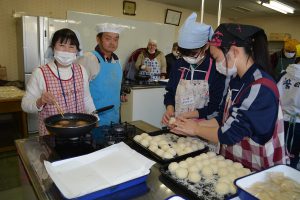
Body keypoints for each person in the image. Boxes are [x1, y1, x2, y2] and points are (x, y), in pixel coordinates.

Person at [171, 23, 288, 171]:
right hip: (236, 164)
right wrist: (186, 125)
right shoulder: (236, 81)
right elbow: (222, 120)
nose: (215, 63)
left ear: (234, 51)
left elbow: (230, 134)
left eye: (216, 57)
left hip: (259, 170)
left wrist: (195, 129)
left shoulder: (260, 87)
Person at [21, 28, 96, 135]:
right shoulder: (40, 73)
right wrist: (40, 101)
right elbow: (25, 105)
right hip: (51, 134)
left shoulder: (81, 70)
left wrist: (95, 118)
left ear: (77, 50)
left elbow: (87, 99)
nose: (66, 50)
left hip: (80, 131)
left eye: (71, 46)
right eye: (61, 45)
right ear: (53, 47)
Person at [162, 12, 227, 126]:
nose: (188, 57)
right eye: (183, 53)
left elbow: (215, 105)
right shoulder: (178, 65)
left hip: (204, 127)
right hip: (178, 125)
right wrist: (170, 109)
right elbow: (170, 92)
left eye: (193, 53)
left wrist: (190, 116)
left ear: (206, 46)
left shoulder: (216, 69)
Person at [77, 23, 125, 126]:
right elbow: (78, 89)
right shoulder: (88, 58)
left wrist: (121, 94)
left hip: (114, 117)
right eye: (108, 38)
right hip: (94, 119)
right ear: (98, 39)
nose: (112, 43)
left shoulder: (116, 61)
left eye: (116, 39)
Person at [277, 44, 300, 169]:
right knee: (293, 155)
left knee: (279, 151)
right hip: (298, 123)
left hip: (281, 120)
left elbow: (275, 95)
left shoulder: (285, 74)